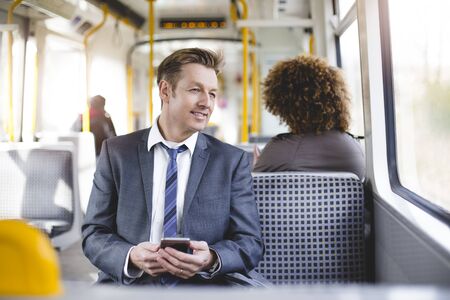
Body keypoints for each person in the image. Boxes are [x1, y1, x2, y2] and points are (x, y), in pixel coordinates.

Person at [82, 48, 264, 286]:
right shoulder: (116, 153)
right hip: (133, 285)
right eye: (195, 90)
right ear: (165, 91)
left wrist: (211, 259)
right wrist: (130, 256)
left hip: (205, 286)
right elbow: (93, 233)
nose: (206, 103)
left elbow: (250, 243)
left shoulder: (231, 161)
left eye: (211, 93)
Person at [253, 55, 365, 180]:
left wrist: (257, 164)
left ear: (284, 104)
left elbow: (254, 187)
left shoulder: (282, 149)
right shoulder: (353, 146)